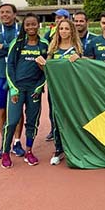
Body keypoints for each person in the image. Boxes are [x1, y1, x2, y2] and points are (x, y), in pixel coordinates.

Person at [1, 13, 49, 168]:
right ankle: (6, 152)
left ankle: (29, 151)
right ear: (24, 26)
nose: (30, 27)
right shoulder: (18, 43)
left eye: (33, 24)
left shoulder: (44, 45)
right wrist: (13, 89)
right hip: (18, 89)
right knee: (13, 121)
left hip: (34, 89)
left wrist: (39, 87)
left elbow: (48, 70)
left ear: (38, 25)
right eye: (27, 24)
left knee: (32, 122)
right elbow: (10, 67)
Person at [36, 19, 82, 166]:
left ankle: (74, 148)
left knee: (73, 118)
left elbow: (83, 69)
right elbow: (48, 70)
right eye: (61, 28)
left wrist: (80, 59)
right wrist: (41, 64)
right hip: (55, 90)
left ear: (72, 31)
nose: (63, 31)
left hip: (72, 90)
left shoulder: (77, 49)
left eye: (66, 29)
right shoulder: (53, 49)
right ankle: (58, 149)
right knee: (56, 118)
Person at [0, 3, 25, 159]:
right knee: (1, 110)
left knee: (17, 110)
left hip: (18, 75)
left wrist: (4, 45)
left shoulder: (22, 29)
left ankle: (17, 142)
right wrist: (13, 47)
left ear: (14, 14)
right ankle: (5, 143)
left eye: (8, 12)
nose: (4, 15)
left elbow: (23, 47)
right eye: (2, 12)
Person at [43, 8, 69, 142]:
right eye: (57, 18)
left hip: (70, 83)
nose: (58, 20)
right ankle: (54, 130)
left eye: (61, 17)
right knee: (53, 107)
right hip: (55, 82)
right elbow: (47, 57)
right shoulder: (49, 35)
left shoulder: (74, 41)